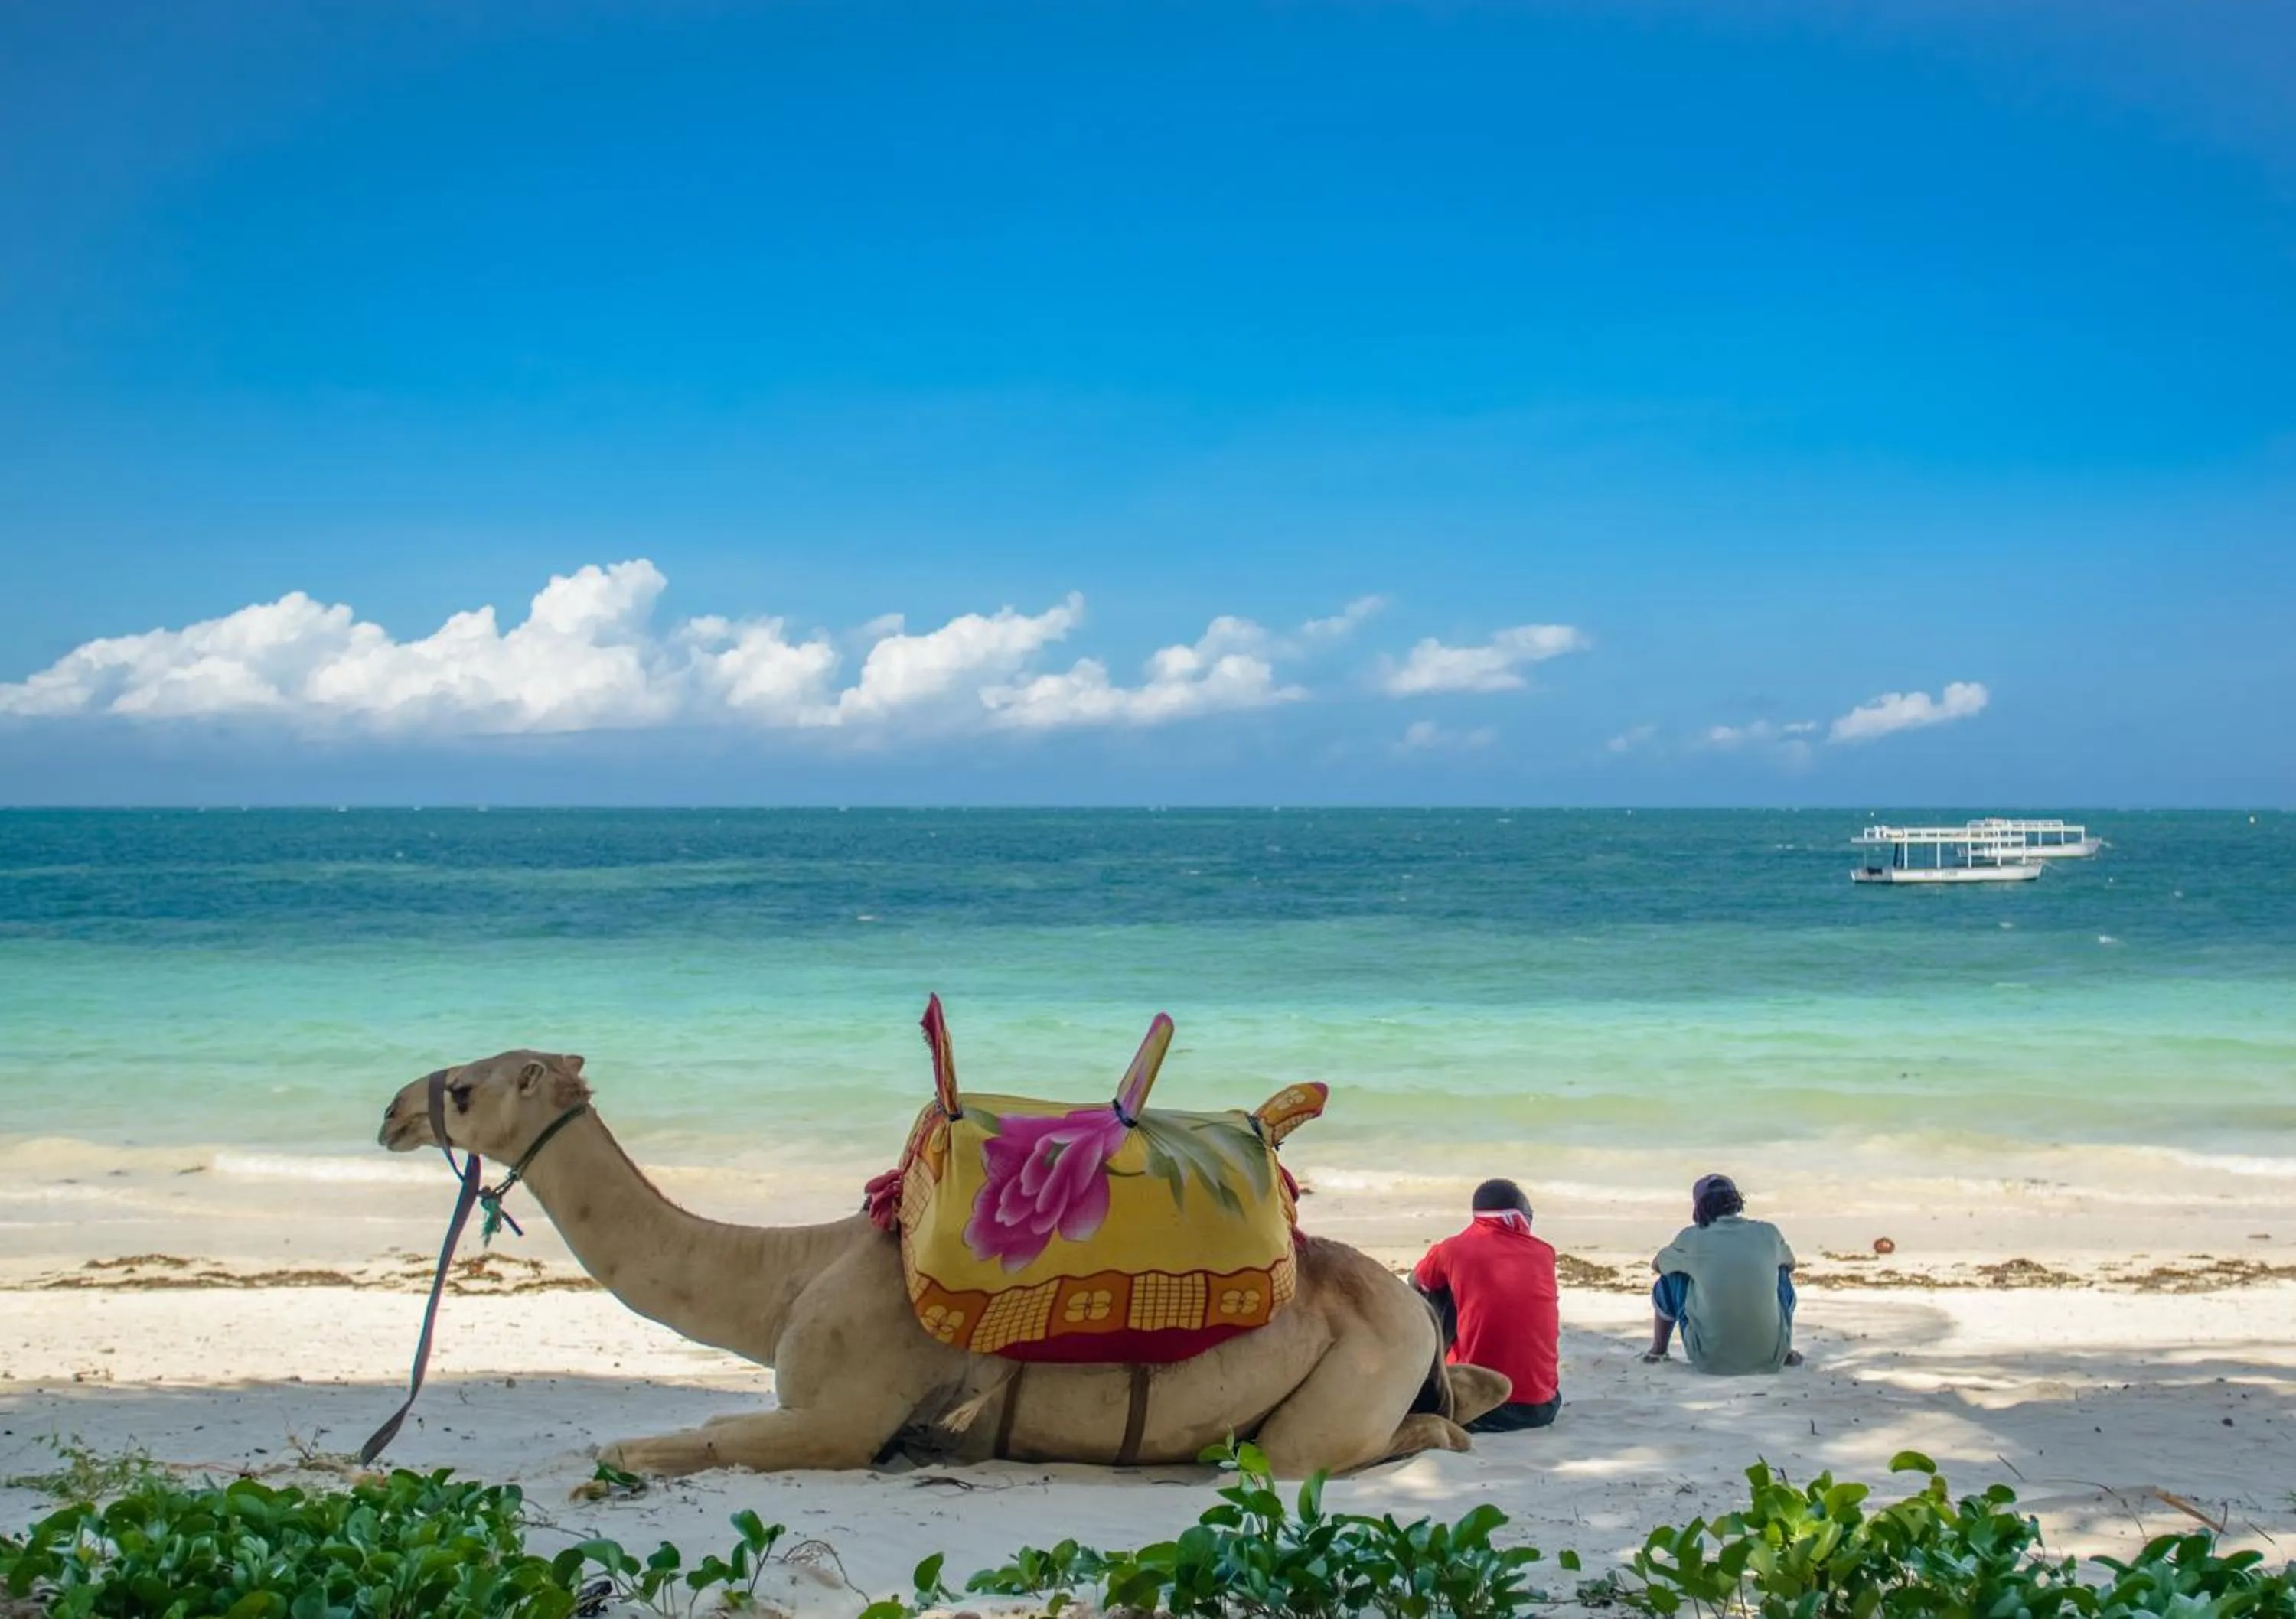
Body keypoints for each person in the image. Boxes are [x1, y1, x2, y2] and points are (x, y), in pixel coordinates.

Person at [1411, 1178, 1561, 1431]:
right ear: (1519, 1215)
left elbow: (1416, 1281)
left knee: (1436, 1288)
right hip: (1543, 1407)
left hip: (1480, 1408)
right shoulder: (1544, 1252)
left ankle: (1432, 1374)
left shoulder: (1452, 1249)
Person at [1643, 1173, 1802, 1373]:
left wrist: (1691, 1262)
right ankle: (1785, 1350)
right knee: (1780, 1272)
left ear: (1698, 1207)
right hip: (1771, 1358)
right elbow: (1791, 1264)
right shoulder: (1768, 1232)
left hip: (1709, 1360)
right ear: (1736, 1201)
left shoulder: (1691, 1238)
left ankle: (1658, 1351)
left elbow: (1657, 1265)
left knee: (1672, 1276)